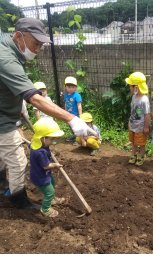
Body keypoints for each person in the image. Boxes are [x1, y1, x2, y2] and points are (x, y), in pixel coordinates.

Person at [0, 17, 96, 209]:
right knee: (18, 161)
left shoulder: (8, 44)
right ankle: (19, 201)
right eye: (36, 43)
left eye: (42, 44)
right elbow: (34, 98)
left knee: (3, 156)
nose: (38, 48)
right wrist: (72, 119)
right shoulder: (5, 58)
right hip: (2, 121)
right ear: (19, 36)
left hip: (6, 113)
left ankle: (2, 184)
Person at [30, 118, 65, 217]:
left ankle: (52, 200)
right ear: (43, 138)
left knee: (52, 183)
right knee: (49, 192)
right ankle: (45, 209)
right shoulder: (40, 152)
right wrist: (55, 165)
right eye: (52, 139)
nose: (54, 141)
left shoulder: (37, 144)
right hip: (40, 176)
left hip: (43, 174)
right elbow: (46, 166)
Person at [125, 72, 151, 166]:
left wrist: (146, 127)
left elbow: (147, 115)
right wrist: (129, 121)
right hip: (133, 125)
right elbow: (132, 111)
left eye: (130, 86)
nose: (129, 88)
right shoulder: (133, 97)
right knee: (133, 142)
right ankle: (133, 155)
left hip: (141, 127)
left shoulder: (144, 99)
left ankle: (141, 156)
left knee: (141, 143)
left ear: (136, 87)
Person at [64, 76, 82, 142]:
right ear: (65, 87)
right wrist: (65, 112)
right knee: (71, 126)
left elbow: (79, 106)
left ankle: (78, 139)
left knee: (76, 127)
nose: (71, 89)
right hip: (68, 114)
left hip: (76, 115)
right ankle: (74, 136)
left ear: (76, 88)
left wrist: (80, 115)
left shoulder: (77, 95)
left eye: (73, 87)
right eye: (69, 87)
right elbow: (66, 103)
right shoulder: (66, 95)